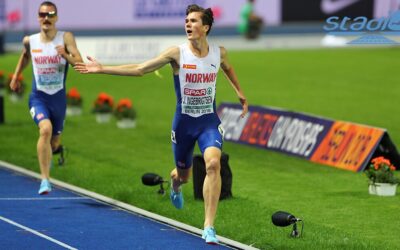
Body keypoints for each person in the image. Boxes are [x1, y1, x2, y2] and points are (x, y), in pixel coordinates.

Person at [74, 4, 248, 245]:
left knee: (213, 165)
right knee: (184, 176)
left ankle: (208, 226)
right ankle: (175, 185)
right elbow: (140, 69)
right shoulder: (176, 54)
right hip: (184, 126)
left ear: (206, 27)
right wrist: (102, 69)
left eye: (194, 21)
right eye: (186, 20)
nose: (188, 24)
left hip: (209, 123)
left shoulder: (220, 53)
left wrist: (239, 92)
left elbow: (227, 69)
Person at [9, 1, 83, 195]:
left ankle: (55, 149)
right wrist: (16, 76)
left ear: (56, 18)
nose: (46, 18)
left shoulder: (65, 37)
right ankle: (45, 180)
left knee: (54, 143)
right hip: (38, 97)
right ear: (38, 17)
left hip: (58, 99)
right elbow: (25, 56)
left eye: (50, 15)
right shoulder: (30, 40)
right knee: (45, 130)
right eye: (42, 15)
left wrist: (65, 55)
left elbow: (79, 63)